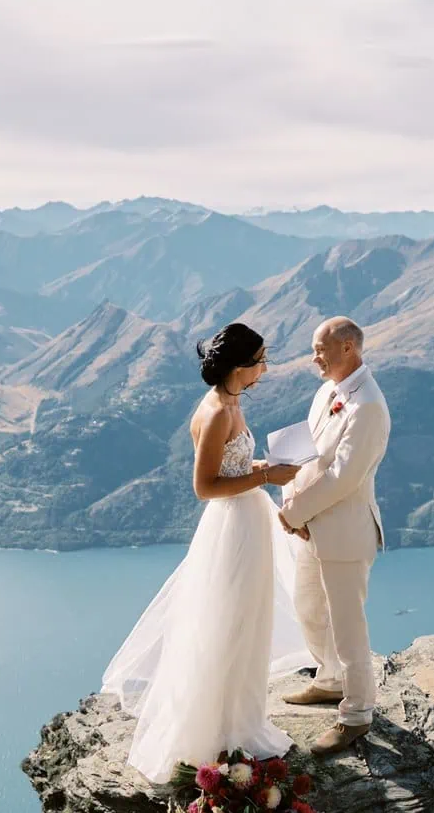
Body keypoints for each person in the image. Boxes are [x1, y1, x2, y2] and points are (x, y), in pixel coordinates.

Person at [101, 322, 312, 782]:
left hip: (247, 521)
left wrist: (259, 467)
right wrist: (264, 478)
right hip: (232, 528)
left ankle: (240, 720)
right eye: (261, 360)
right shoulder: (217, 411)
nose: (265, 367)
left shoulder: (233, 401)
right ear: (240, 367)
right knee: (229, 622)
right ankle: (217, 729)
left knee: (249, 620)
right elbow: (204, 486)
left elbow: (228, 466)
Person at [278, 317, 392, 756]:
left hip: (344, 532)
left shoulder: (369, 407)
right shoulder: (327, 392)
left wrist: (294, 511)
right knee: (308, 607)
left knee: (348, 625)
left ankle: (357, 715)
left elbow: (345, 478)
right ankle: (328, 680)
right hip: (310, 526)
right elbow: (307, 451)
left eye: (320, 349)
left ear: (348, 348)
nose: (314, 358)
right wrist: (289, 496)